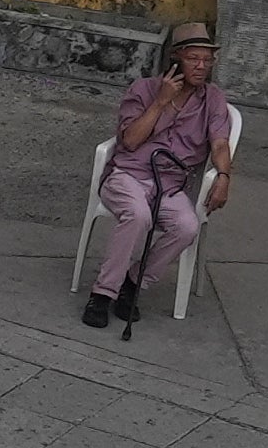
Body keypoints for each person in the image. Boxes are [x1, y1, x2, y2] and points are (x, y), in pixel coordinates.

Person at [85, 17, 240, 335]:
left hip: (170, 185)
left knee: (187, 226)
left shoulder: (213, 99)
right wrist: (161, 103)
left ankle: (133, 281)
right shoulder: (143, 90)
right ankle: (102, 294)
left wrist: (224, 175)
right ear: (176, 58)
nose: (201, 66)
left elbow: (220, 142)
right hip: (128, 175)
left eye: (207, 60)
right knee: (138, 215)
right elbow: (129, 141)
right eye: (194, 58)